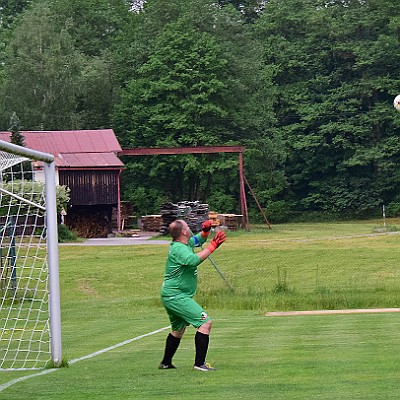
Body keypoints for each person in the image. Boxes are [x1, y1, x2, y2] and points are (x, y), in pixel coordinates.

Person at [159, 219, 226, 372]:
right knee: (205, 323)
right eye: (187, 226)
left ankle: (166, 363)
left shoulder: (184, 243)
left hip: (173, 295)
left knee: (178, 330)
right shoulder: (179, 249)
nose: (189, 228)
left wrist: (206, 232)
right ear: (183, 231)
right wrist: (213, 246)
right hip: (176, 296)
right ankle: (199, 364)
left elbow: (197, 239)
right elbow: (193, 260)